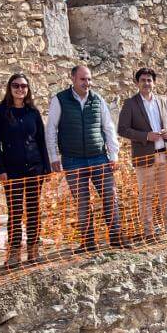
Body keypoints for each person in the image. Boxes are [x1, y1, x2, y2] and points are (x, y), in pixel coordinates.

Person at [46, 65, 127, 253]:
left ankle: (116, 238)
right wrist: (53, 156)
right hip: (73, 160)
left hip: (99, 157)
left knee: (110, 197)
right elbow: (51, 129)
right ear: (73, 79)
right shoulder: (59, 100)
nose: (87, 83)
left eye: (89, 79)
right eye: (83, 79)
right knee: (82, 203)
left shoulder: (98, 99)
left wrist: (113, 155)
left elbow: (108, 127)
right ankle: (88, 242)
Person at [118, 67, 167, 242]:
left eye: (149, 80)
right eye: (143, 80)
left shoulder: (163, 100)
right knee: (146, 196)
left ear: (154, 83)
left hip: (165, 154)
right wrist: (146, 136)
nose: (146, 83)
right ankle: (149, 233)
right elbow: (122, 129)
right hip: (144, 156)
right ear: (137, 83)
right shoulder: (130, 104)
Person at [0, 73, 50, 267]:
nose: (20, 89)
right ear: (10, 88)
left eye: (23, 86)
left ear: (28, 89)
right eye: (16, 85)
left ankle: (33, 250)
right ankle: (14, 253)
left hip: (35, 168)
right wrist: (1, 169)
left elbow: (41, 141)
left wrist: (46, 168)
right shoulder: (0, 112)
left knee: (33, 210)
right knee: (15, 212)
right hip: (12, 170)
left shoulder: (33, 112)